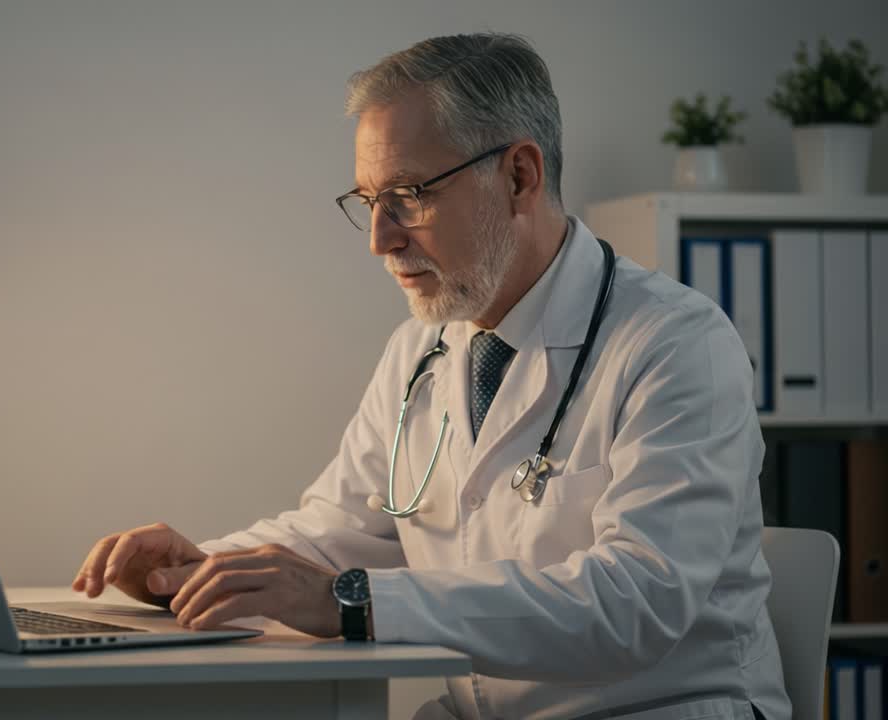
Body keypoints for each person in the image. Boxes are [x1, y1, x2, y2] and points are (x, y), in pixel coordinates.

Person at [72, 33, 789, 720]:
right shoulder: (422, 351)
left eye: (410, 194)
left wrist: (353, 604)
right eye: (368, 201)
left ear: (519, 176)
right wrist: (199, 570)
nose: (381, 239)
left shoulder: (676, 344)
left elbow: (638, 602)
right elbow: (339, 531)